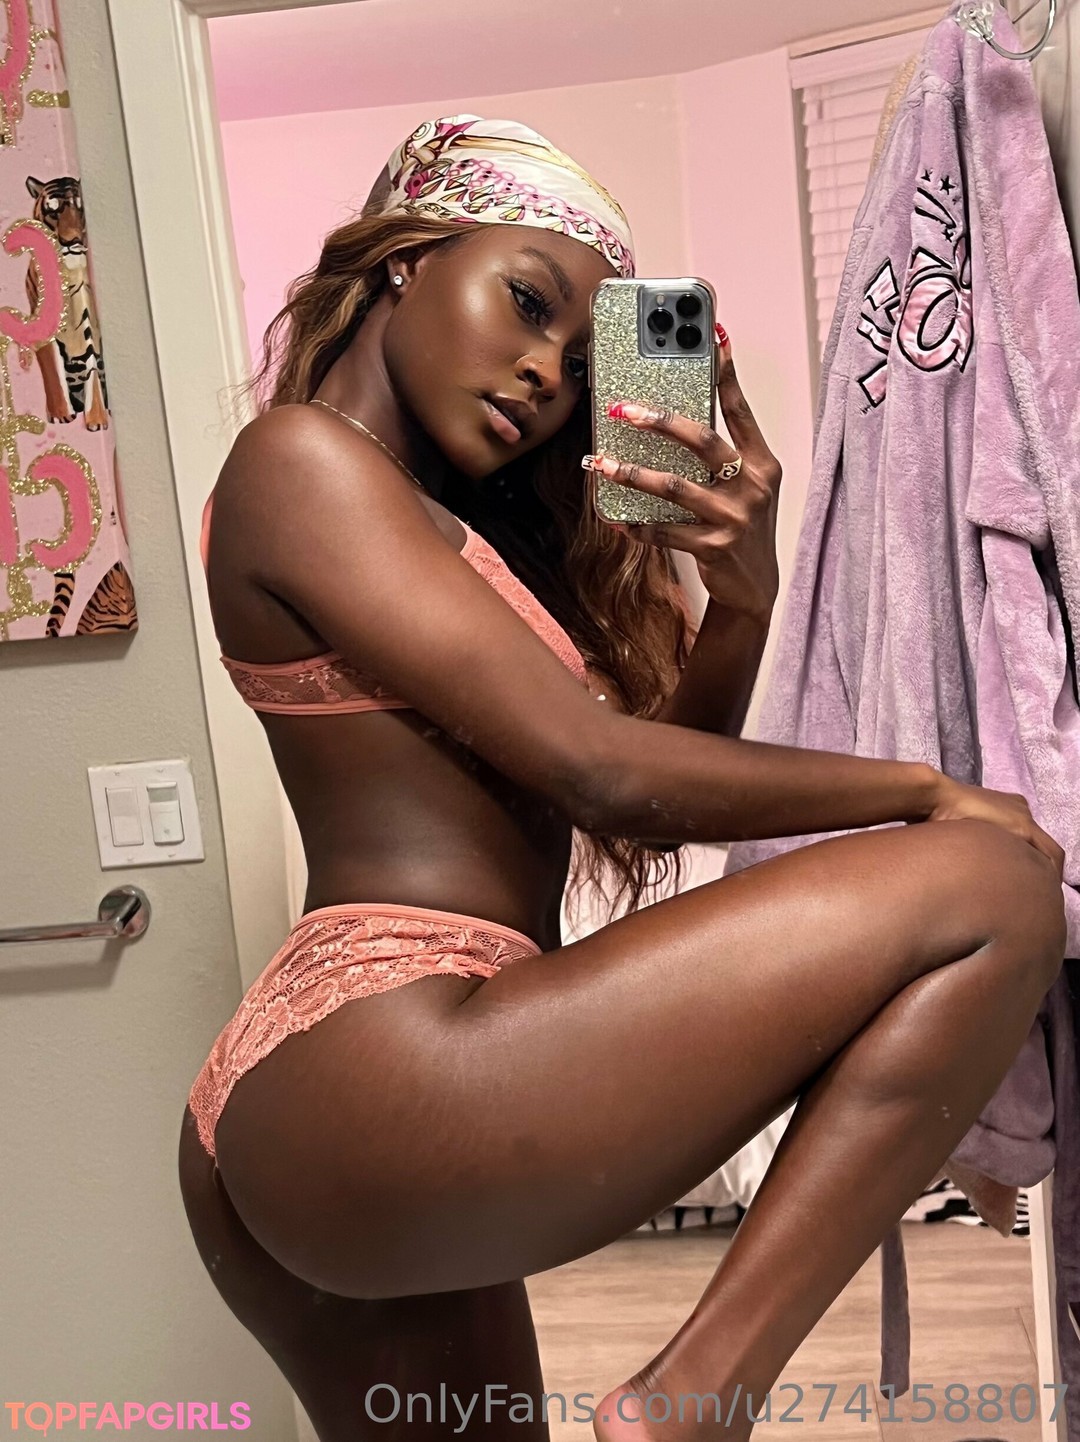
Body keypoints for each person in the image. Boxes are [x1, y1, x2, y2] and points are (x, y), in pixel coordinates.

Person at [177, 114, 1067, 1442]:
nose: (546, 371)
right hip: (381, 1049)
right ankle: (699, 1399)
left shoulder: (437, 532)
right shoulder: (298, 459)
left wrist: (745, 599)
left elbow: (631, 803)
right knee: (992, 886)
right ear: (409, 257)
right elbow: (604, 772)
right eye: (528, 302)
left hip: (366, 1084)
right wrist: (927, 792)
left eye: (582, 361)